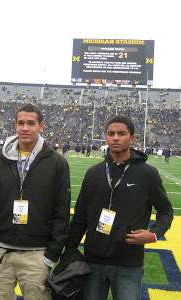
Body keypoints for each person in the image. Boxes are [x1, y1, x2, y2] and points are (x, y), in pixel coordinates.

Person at [65, 115, 173, 300]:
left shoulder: (147, 173)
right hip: (93, 261)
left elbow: (166, 211)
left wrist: (153, 234)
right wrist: (68, 251)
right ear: (105, 137)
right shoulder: (94, 173)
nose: (115, 137)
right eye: (111, 133)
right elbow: (80, 217)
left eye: (121, 133)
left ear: (131, 138)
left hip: (128, 263)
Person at [0, 104, 71, 300]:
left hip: (37, 255)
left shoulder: (56, 162)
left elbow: (61, 212)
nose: (25, 128)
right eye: (21, 123)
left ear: (41, 126)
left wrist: (51, 256)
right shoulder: (0, 160)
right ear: (15, 125)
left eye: (31, 123)